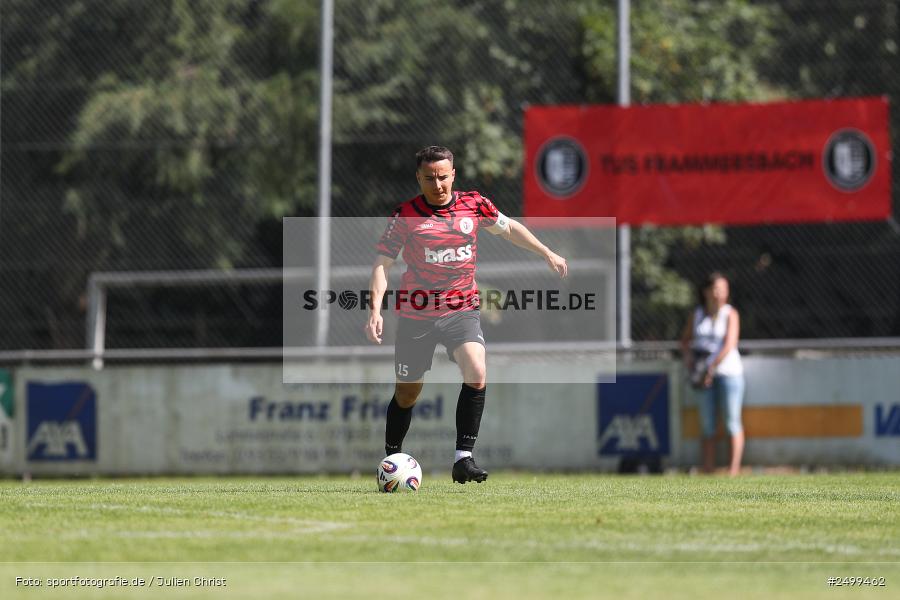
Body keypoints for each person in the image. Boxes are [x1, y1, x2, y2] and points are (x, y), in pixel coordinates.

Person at [364, 146, 568, 484]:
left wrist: (546, 251)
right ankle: (392, 460)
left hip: (461, 309)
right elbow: (381, 265)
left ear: (453, 175)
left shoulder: (474, 204)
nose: (437, 184)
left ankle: (463, 459)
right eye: (429, 178)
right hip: (417, 314)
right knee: (407, 394)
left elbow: (509, 228)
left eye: (443, 177)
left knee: (476, 369)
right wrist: (375, 310)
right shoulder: (406, 215)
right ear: (418, 178)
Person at [679, 272, 745, 476]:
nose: (720, 293)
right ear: (706, 291)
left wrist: (711, 366)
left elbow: (730, 343)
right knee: (707, 424)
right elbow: (685, 341)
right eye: (716, 289)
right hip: (702, 375)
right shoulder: (697, 314)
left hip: (728, 373)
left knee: (731, 421)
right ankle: (708, 469)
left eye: (723, 289)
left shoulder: (730, 314)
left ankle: (733, 471)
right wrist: (690, 361)